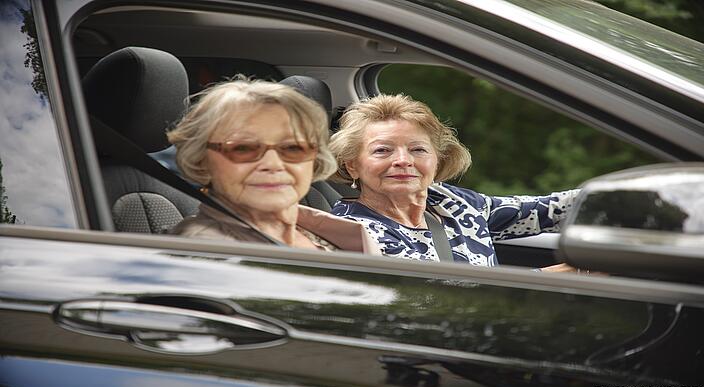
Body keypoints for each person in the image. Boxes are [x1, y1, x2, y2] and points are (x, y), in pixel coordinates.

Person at [328, 94, 579, 267]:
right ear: (352, 165)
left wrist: (610, 198)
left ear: (438, 160)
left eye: (418, 150)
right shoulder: (353, 229)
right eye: (382, 150)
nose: (403, 160)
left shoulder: (450, 202)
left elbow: (548, 211)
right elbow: (444, 297)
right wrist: (561, 276)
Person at [167, 78, 381, 255]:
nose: (273, 164)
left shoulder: (314, 230)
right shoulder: (206, 254)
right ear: (202, 160)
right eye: (243, 148)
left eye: (293, 148)